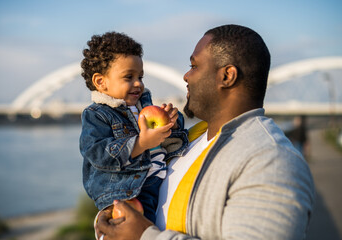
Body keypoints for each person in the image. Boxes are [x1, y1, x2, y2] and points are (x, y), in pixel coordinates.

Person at [95, 24, 315, 240]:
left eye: (194, 66)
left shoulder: (272, 161)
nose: (185, 76)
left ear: (227, 76)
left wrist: (145, 237)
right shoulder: (189, 140)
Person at [79, 32, 189, 224]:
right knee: (141, 231)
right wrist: (140, 144)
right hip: (131, 193)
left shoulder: (143, 106)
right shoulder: (97, 114)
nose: (138, 83)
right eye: (128, 77)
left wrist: (173, 119)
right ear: (100, 82)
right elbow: (96, 153)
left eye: (140, 76)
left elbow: (171, 136)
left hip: (159, 181)